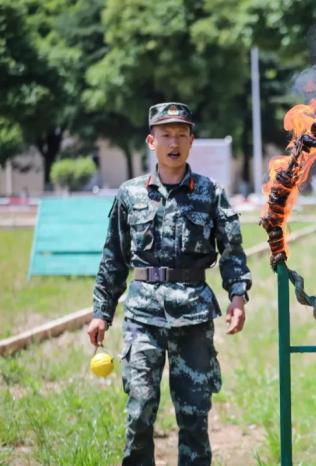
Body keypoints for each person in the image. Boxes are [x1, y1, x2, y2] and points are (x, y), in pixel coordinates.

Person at [86, 102, 252, 465]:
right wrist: (102, 312)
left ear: (191, 141)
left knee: (194, 416)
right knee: (140, 410)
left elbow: (232, 250)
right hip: (142, 317)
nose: (173, 142)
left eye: (181, 134)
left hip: (193, 318)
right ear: (151, 141)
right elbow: (113, 256)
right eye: (165, 135)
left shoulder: (210, 193)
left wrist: (237, 296)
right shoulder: (130, 195)